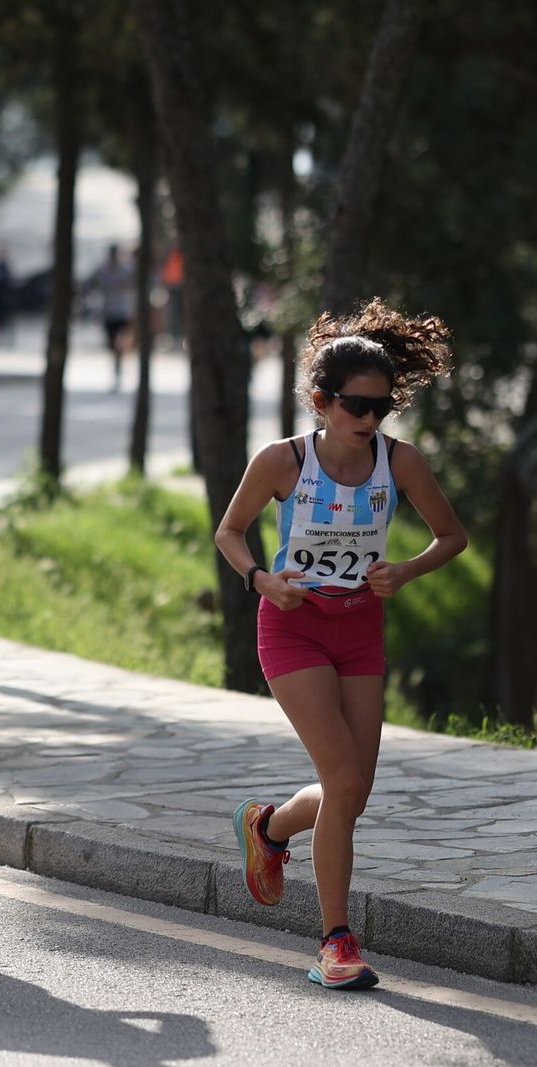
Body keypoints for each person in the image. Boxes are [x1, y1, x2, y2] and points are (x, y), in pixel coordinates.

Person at [214, 299, 465, 990]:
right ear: (322, 401)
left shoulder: (400, 462)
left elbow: (453, 536)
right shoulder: (282, 461)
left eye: (382, 407)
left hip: (360, 628)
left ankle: (269, 828)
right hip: (292, 624)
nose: (370, 419)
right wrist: (262, 579)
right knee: (345, 781)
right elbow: (228, 533)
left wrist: (405, 570)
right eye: (358, 405)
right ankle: (335, 940)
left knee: (351, 794)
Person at [88, 244, 136, 390]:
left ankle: (119, 369)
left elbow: (133, 285)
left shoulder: (126, 270)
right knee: (111, 344)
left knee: (119, 343)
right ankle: (116, 367)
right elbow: (91, 283)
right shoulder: (102, 270)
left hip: (122, 312)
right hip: (108, 313)